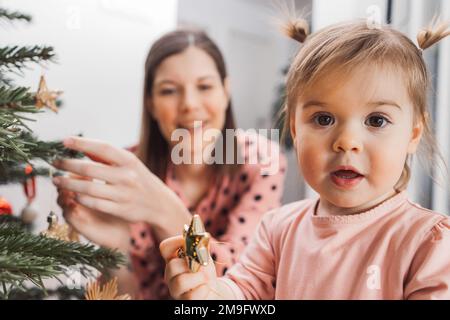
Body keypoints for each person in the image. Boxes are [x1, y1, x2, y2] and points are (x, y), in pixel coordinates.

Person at [161, 19, 450, 300]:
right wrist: (206, 290)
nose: (346, 141)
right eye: (323, 118)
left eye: (377, 120)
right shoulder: (278, 229)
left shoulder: (429, 244)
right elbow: (243, 294)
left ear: (413, 134)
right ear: (296, 130)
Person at [53, 29, 286, 299]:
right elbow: (129, 292)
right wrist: (115, 250)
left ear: (226, 91)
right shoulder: (126, 173)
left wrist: (164, 209)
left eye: (205, 86)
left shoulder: (261, 160)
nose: (189, 104)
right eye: (169, 91)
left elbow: (239, 286)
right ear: (150, 103)